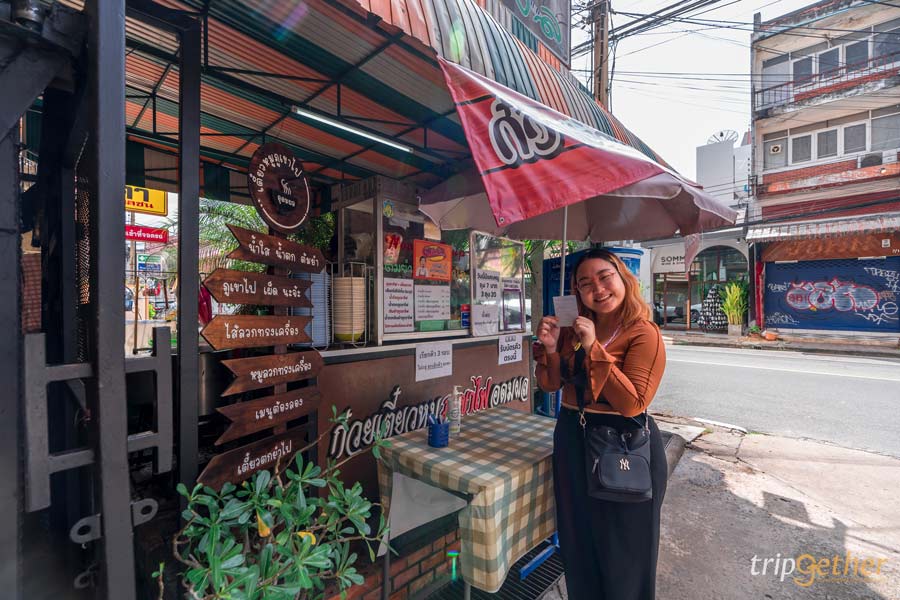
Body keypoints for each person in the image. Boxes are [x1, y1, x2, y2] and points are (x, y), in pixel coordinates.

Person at [534, 248, 667, 600]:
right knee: (578, 545)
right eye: (585, 283)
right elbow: (550, 384)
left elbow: (632, 403)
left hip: (623, 445)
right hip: (572, 438)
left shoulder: (644, 333)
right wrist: (551, 349)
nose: (598, 288)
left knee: (624, 555)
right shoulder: (573, 330)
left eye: (605, 277)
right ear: (577, 292)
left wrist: (594, 346)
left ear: (623, 278)